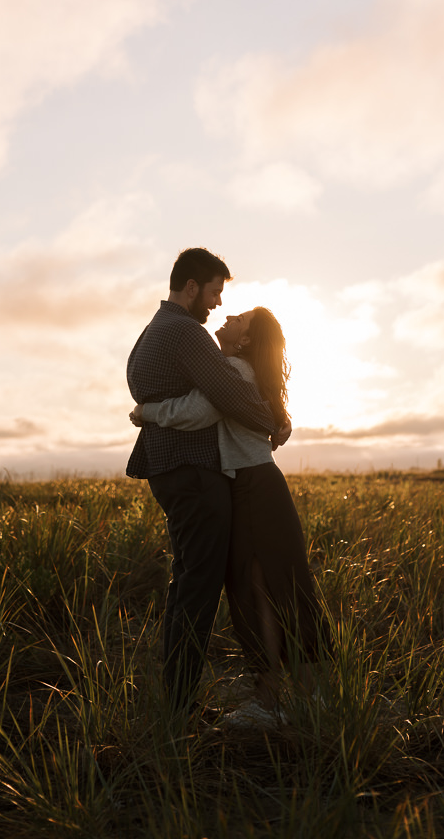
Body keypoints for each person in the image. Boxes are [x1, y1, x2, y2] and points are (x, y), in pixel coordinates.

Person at [132, 306, 323, 729]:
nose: (229, 317)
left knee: (258, 590)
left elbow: (197, 412)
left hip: (252, 486)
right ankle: (304, 699)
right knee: (274, 587)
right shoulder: (238, 370)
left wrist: (147, 412)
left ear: (246, 340)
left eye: (240, 319)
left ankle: (273, 701)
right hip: (257, 484)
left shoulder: (233, 370)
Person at [126, 248, 284, 718]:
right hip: (193, 471)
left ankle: (177, 699)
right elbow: (227, 393)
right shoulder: (186, 332)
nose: (217, 302)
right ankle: (180, 705)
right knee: (198, 586)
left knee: (187, 582)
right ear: (191, 287)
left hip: (172, 469)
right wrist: (275, 422)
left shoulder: (154, 330)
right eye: (214, 292)